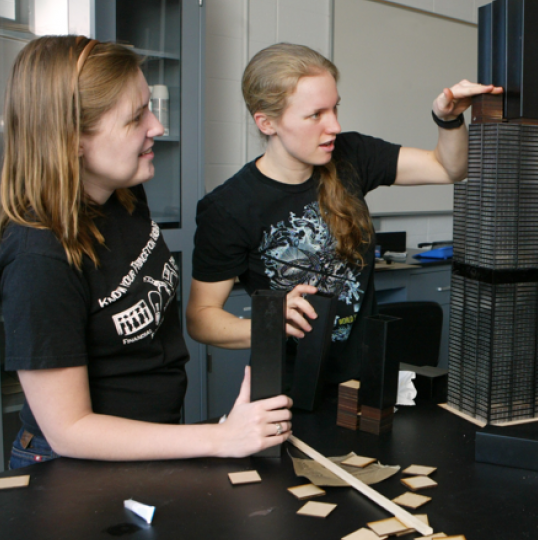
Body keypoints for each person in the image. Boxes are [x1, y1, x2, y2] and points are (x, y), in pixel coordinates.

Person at [0, 36, 292, 469]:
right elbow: (69, 428)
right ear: (73, 138)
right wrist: (220, 438)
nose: (157, 126)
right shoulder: (37, 257)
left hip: (149, 442)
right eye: (136, 117)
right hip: (69, 467)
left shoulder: (124, 193)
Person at [186, 44, 499, 385]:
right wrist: (269, 324)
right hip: (288, 386)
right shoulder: (229, 206)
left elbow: (449, 168)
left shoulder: (352, 154)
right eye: (316, 115)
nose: (334, 125)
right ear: (267, 122)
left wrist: (448, 118)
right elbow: (201, 318)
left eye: (335, 108)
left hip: (365, 376)